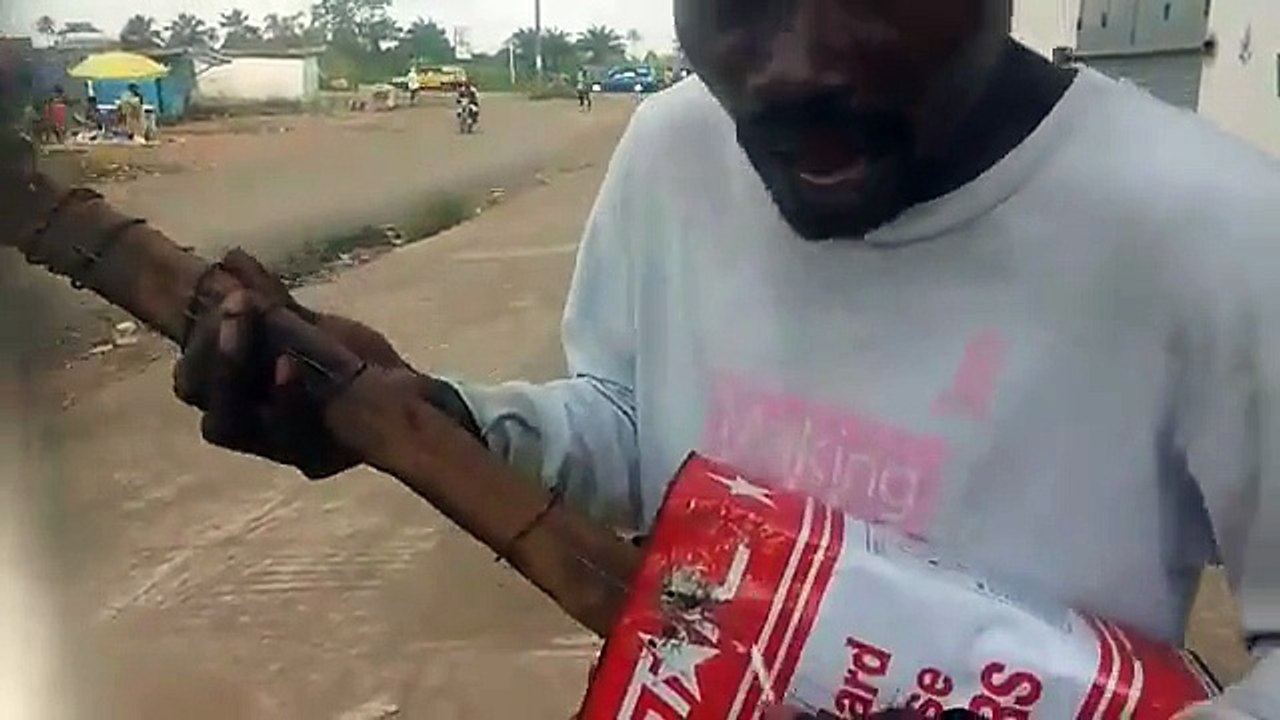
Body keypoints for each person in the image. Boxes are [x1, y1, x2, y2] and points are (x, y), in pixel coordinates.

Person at [175, 0, 1280, 716]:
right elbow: (629, 415)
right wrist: (434, 422)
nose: (791, 66)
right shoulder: (676, 149)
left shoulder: (1218, 235)